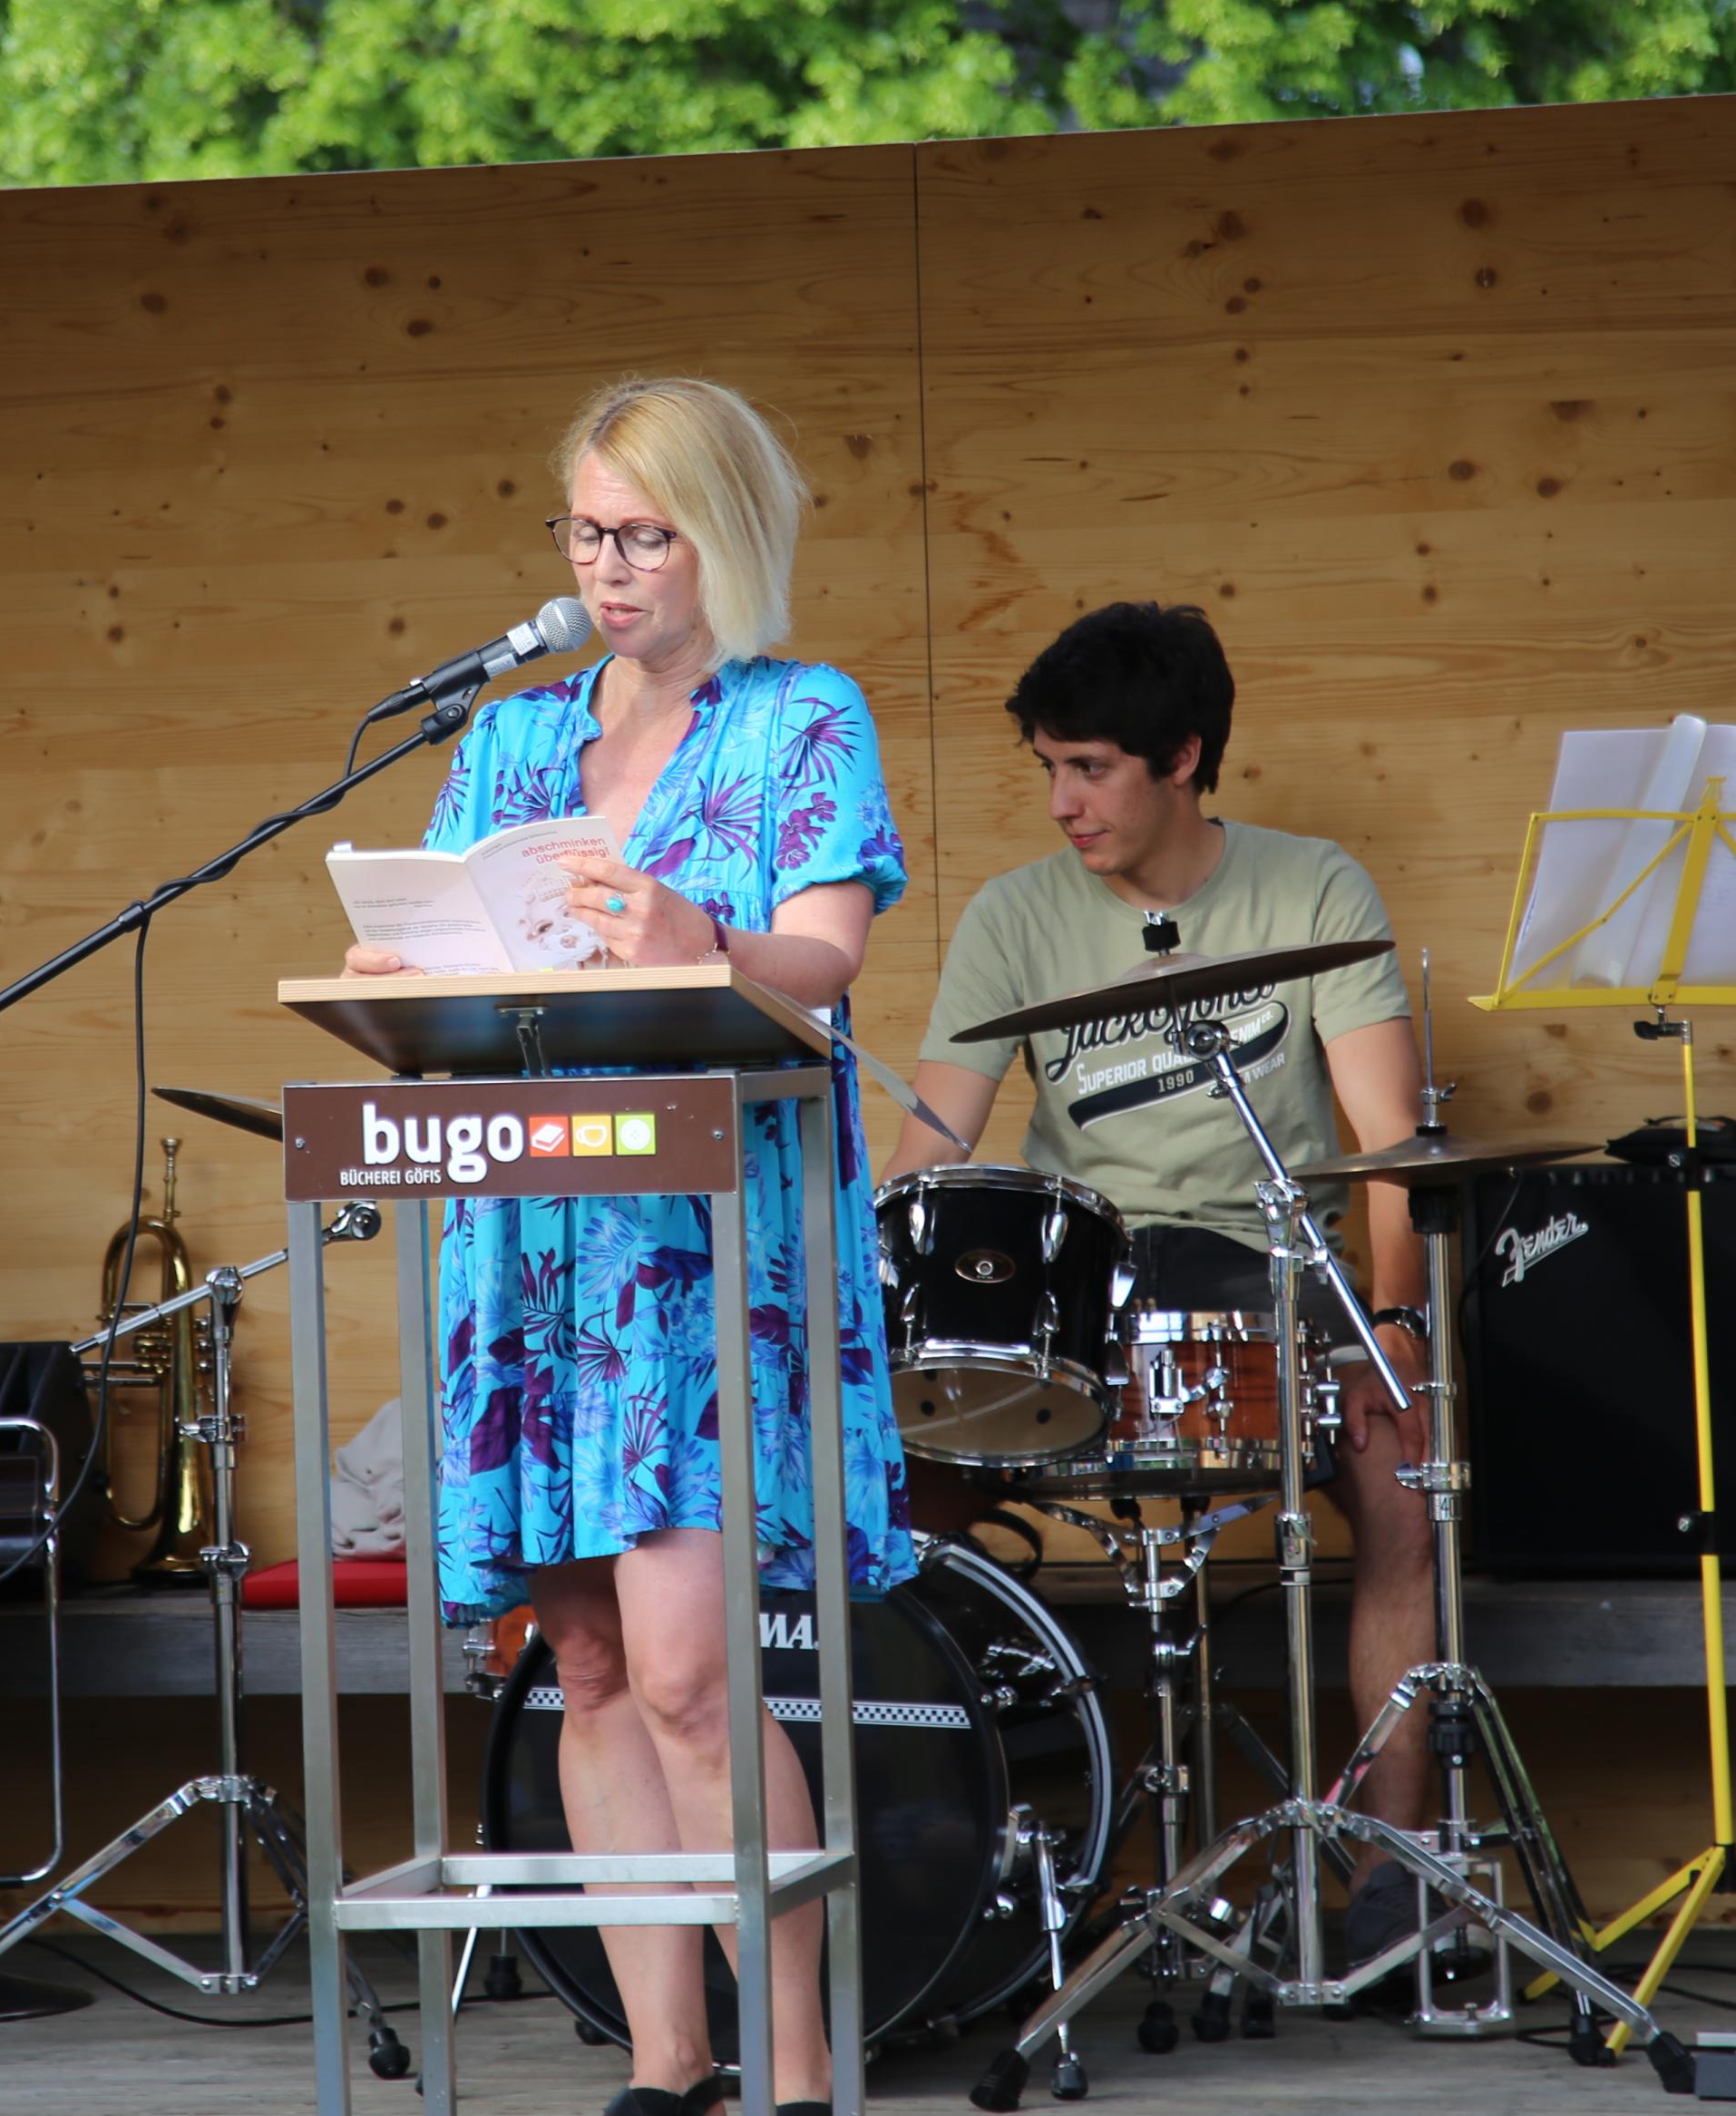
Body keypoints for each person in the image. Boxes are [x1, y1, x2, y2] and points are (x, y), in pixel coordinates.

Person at [347, 379, 912, 2116]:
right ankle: (672, 2060)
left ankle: (797, 2069)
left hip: (698, 1247)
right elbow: (461, 952)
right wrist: (395, 968)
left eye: (643, 534)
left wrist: (698, 935)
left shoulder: (802, 715)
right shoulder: (512, 742)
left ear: (721, 535)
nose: (607, 566)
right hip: (529, 1241)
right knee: (583, 1665)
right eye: (585, 532)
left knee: (685, 1673)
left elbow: (828, 958)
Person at [884, 600, 1444, 1978]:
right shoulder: (1014, 914)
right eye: (1048, 770)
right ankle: (929, 1860)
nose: (1062, 803)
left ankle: (1397, 1875)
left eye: (1090, 769)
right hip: (1087, 1284)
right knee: (886, 1496)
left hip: (1273, 1265)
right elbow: (931, 1150)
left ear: (1182, 757)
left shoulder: (1313, 888)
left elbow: (1390, 1144)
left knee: (1400, 1485)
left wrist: (1396, 1325)